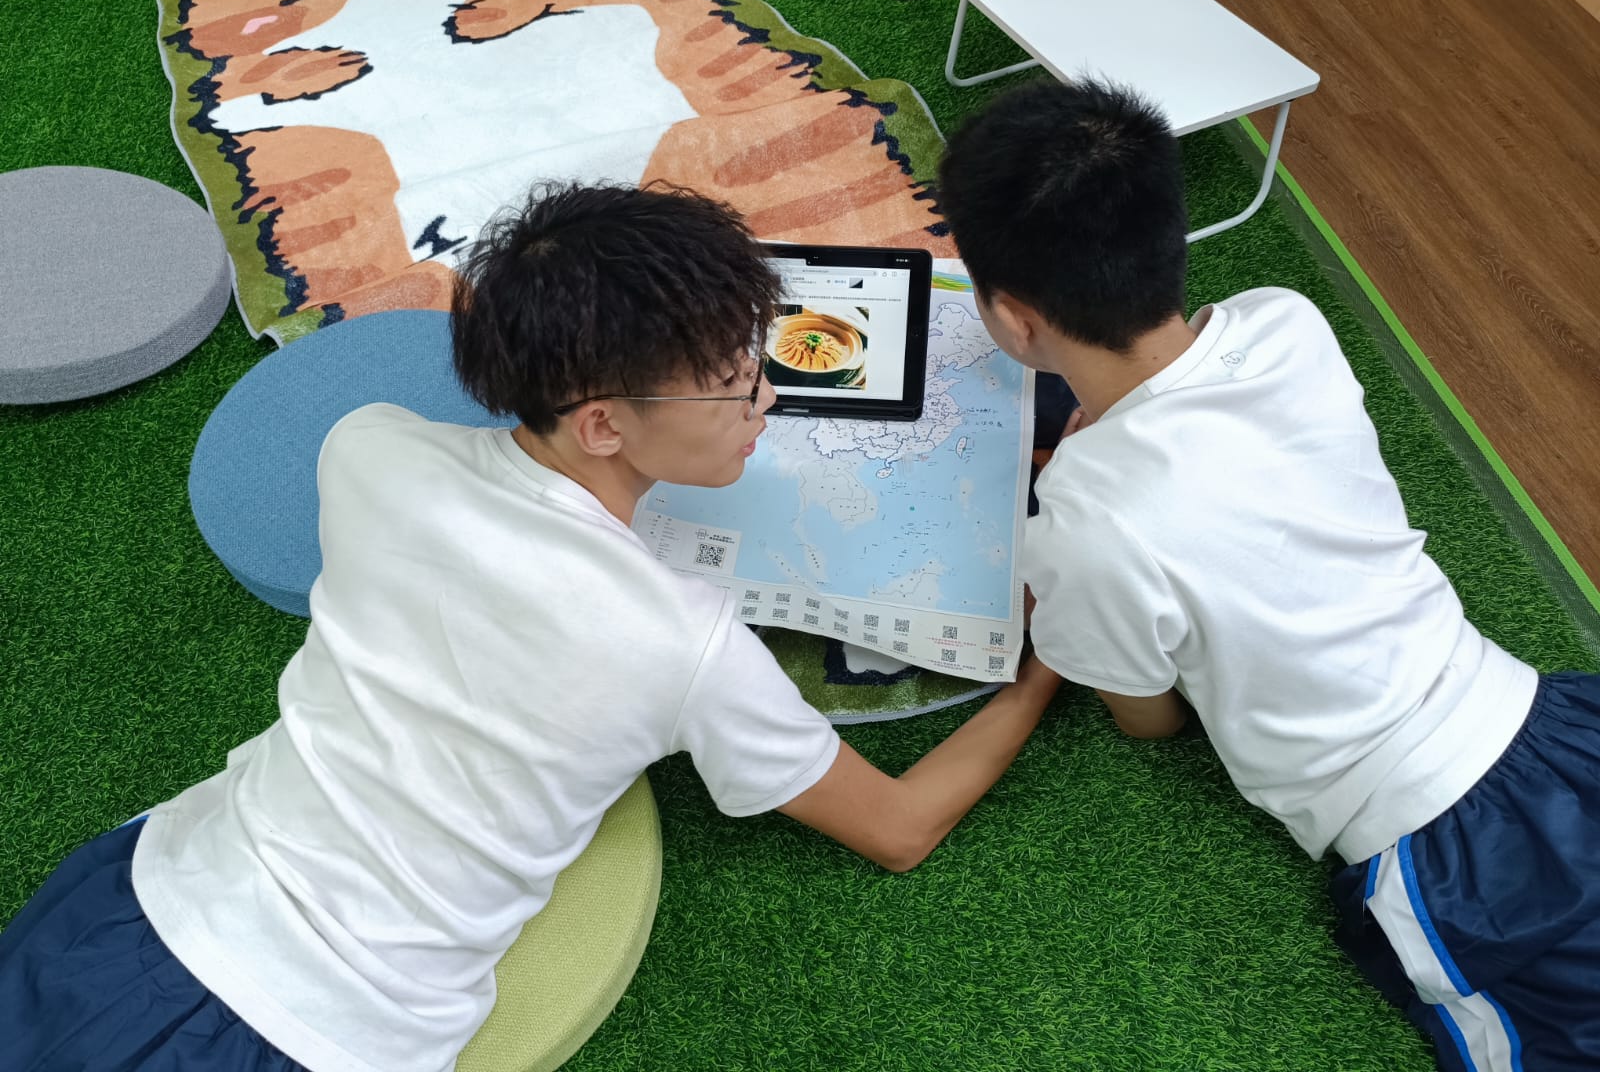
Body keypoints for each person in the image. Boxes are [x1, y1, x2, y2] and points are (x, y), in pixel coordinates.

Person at [0, 182, 1059, 1072]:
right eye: (736, 385)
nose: (767, 402)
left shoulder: (367, 448)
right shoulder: (683, 645)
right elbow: (898, 828)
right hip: (310, 1032)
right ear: (600, 423)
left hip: (133, 896)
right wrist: (1040, 666)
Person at [937, 78, 1600, 1072]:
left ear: (1014, 318)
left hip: (1445, 850)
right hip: (1552, 724)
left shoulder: (1083, 527)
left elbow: (1150, 720)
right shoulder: (1285, 320)